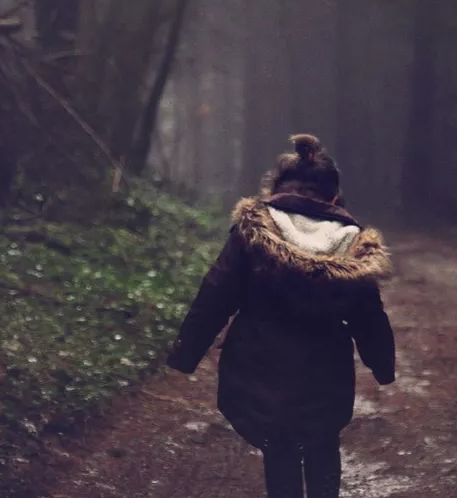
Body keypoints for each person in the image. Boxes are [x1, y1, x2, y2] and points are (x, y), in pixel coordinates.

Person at [166, 134, 397, 498]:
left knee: (280, 445)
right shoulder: (353, 243)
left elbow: (217, 292)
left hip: (260, 359)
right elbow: (368, 314)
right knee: (323, 441)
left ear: (275, 187)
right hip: (326, 365)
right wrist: (382, 365)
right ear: (334, 196)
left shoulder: (253, 230)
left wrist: (186, 351)